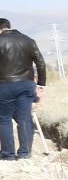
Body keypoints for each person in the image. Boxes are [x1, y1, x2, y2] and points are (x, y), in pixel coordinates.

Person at [0, 18, 47, 162]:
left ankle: (8, 155)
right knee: (24, 119)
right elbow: (40, 63)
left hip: (4, 86)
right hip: (26, 85)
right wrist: (41, 84)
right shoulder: (28, 40)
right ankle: (24, 153)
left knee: (4, 119)